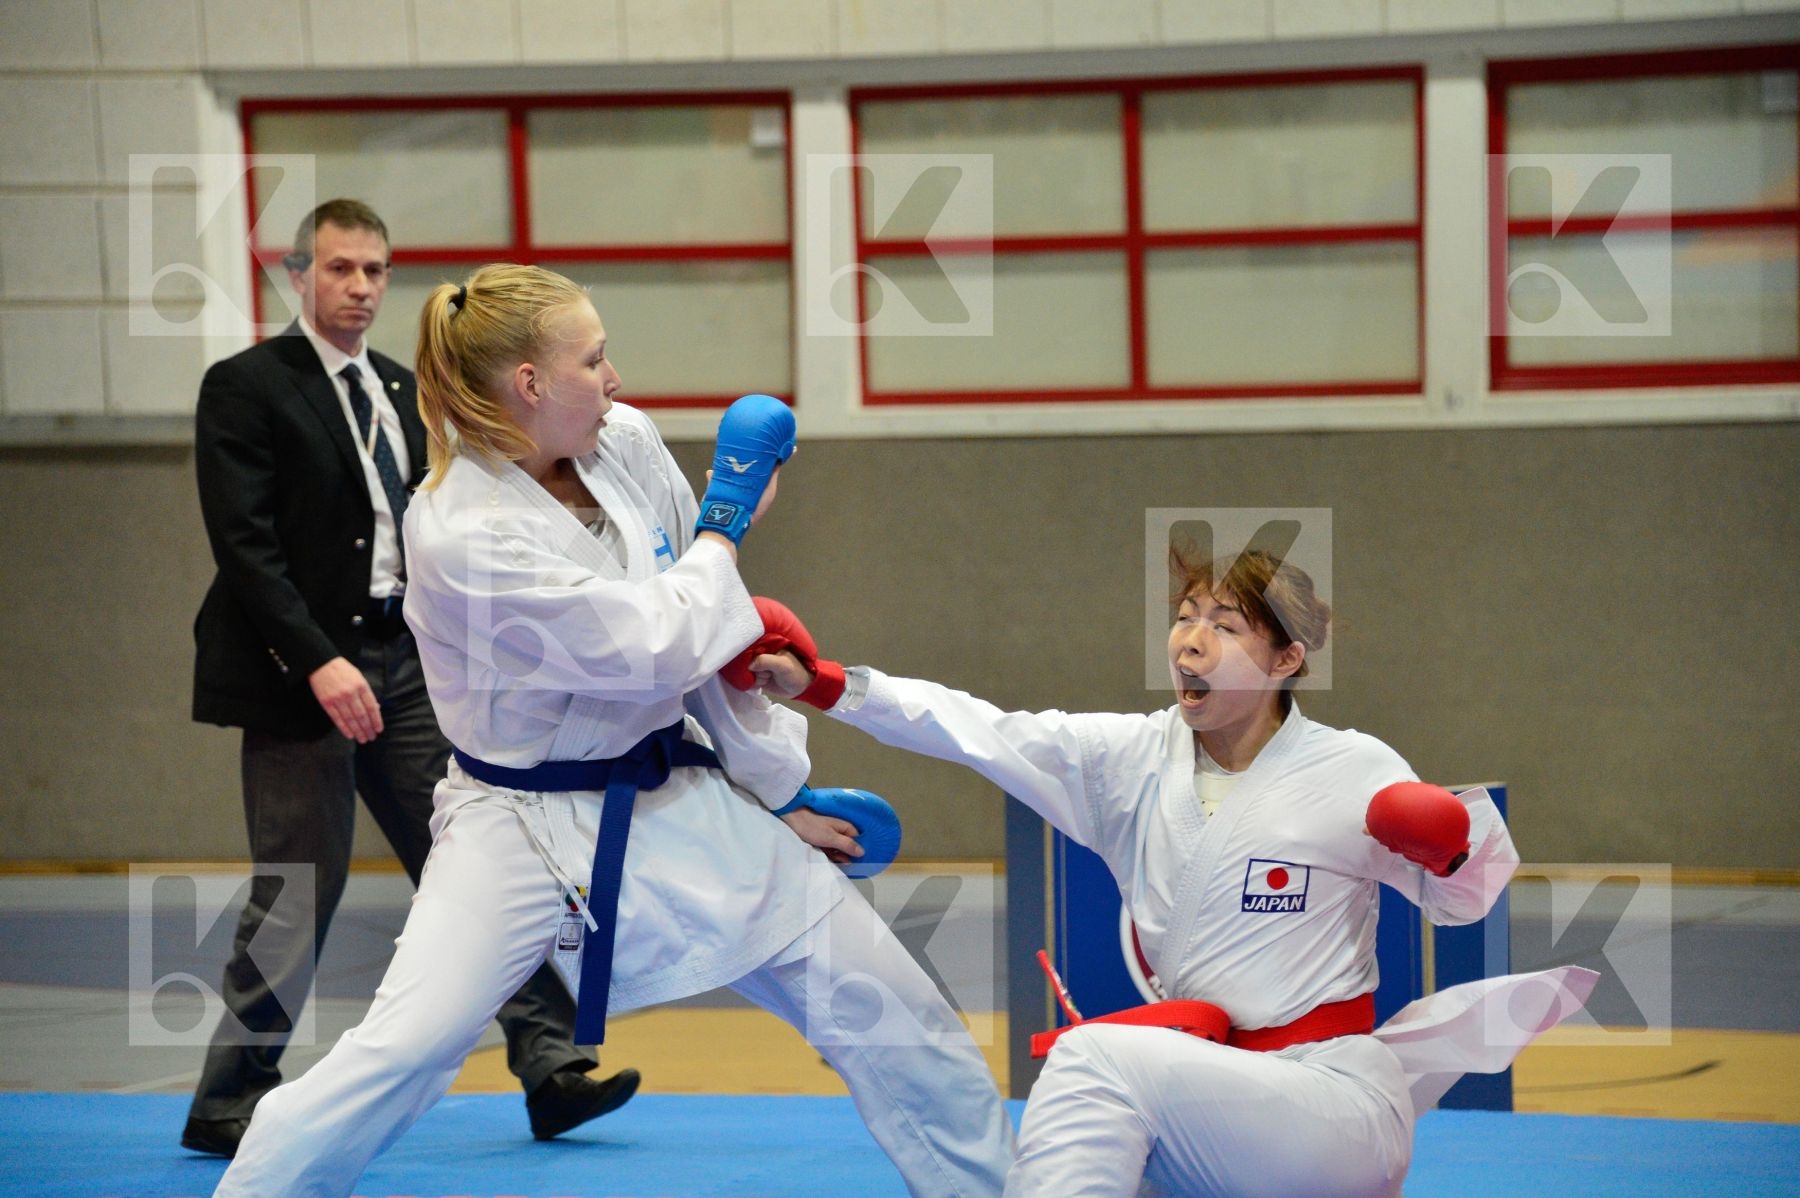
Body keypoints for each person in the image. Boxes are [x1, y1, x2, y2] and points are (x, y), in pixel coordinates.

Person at [209, 263, 1014, 1198]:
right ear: (529, 386)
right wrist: (727, 521)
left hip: (675, 794)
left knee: (893, 1013)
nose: (617, 378)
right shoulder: (459, 530)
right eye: (594, 360)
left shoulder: (621, 442)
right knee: (402, 1054)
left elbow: (712, 646)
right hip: (516, 830)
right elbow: (654, 643)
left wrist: (778, 788)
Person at [733, 548, 1596, 1198]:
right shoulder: (1130, 758)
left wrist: (1448, 843)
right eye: (1186, 616)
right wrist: (829, 685)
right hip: (1206, 1096)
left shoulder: (1353, 767)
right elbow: (979, 727)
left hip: (1330, 1102)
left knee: (1097, 1061)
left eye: (1225, 626)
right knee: (1103, 1108)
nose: (1192, 640)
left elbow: (1461, 904)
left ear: (1287, 662)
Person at [186, 203, 635, 1158]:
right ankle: (230, 1098)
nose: (360, 287)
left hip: (406, 669)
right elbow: (245, 545)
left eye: (376, 270)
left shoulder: (401, 387)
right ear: (298, 276)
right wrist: (318, 660)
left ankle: (551, 1064)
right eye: (341, 268)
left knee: (482, 858)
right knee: (302, 883)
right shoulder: (246, 386)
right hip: (300, 675)